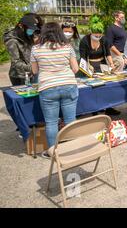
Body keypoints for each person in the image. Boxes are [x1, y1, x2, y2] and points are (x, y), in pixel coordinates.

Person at [30, 23, 79, 157]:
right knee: (70, 120)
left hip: (47, 87)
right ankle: (72, 149)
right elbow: (75, 69)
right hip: (69, 85)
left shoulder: (36, 49)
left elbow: (34, 71)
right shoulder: (67, 47)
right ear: (59, 32)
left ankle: (53, 152)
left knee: (51, 122)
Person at [3, 13, 41, 85]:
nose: (32, 31)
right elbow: (16, 62)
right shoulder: (12, 40)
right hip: (19, 76)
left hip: (32, 73)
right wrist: (33, 68)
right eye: (30, 29)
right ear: (21, 26)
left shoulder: (26, 35)